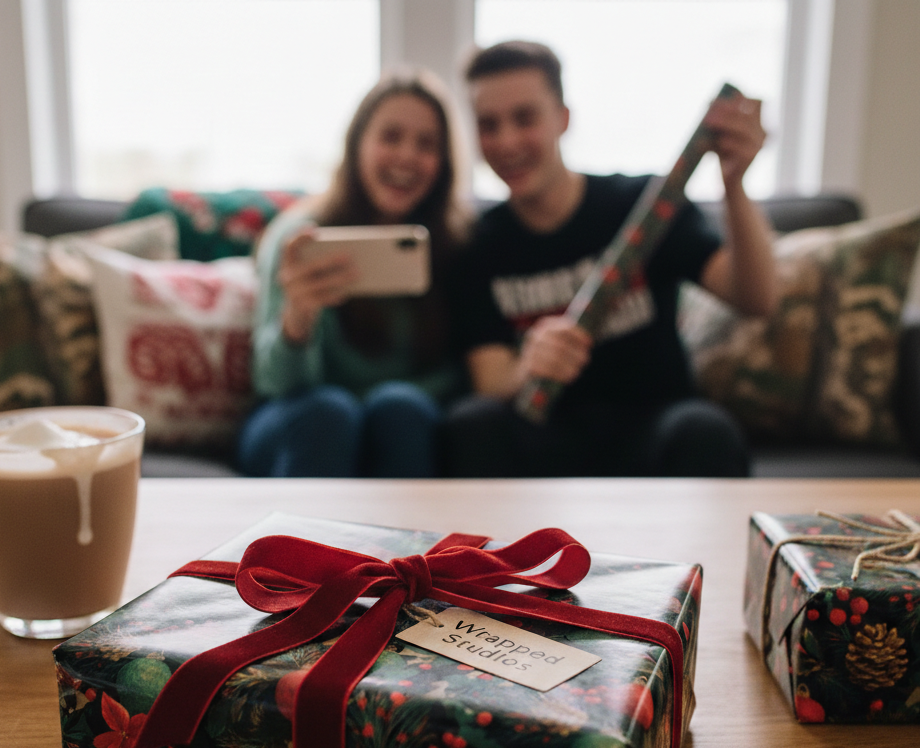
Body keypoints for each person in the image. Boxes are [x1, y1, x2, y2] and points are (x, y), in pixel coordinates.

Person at [445, 41, 779, 477]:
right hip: (547, 435)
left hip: (655, 425)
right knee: (470, 425)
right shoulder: (477, 245)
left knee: (706, 430)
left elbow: (756, 298)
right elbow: (490, 381)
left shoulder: (643, 204)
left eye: (525, 118)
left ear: (563, 119)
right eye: (489, 125)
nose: (506, 141)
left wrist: (734, 184)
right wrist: (527, 363)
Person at [238, 70, 469, 477]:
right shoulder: (299, 239)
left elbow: (459, 376)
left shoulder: (455, 243)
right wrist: (298, 320)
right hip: (298, 420)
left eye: (426, 144)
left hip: (400, 421)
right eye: (391, 137)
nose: (406, 157)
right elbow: (273, 384)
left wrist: (377, 403)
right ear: (357, 145)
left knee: (400, 407)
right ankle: (302, 543)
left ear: (444, 161)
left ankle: (409, 543)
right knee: (330, 412)